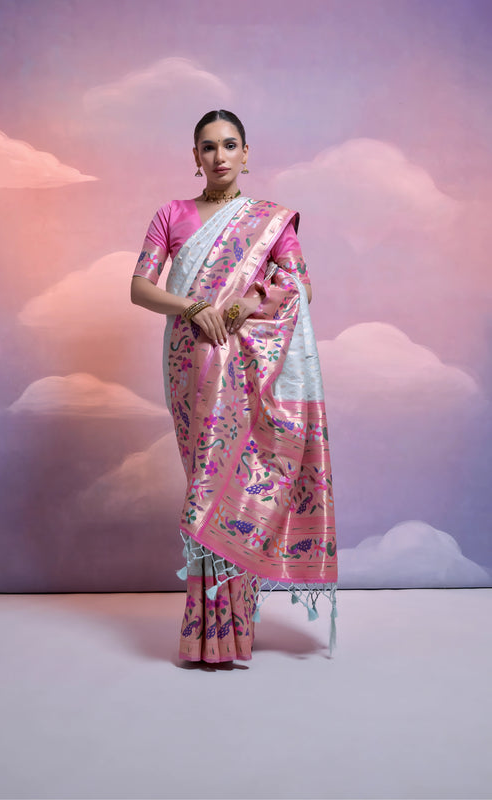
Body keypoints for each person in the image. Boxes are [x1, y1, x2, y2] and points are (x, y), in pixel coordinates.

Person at [130, 109, 337, 664]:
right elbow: (140, 289)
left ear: (246, 154)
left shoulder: (271, 220)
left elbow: (301, 286)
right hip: (189, 359)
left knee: (236, 488)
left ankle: (231, 629)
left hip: (247, 365)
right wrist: (193, 306)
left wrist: (250, 302)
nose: (218, 156)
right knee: (205, 484)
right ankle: (210, 629)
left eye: (229, 145)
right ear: (194, 157)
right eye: (207, 147)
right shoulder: (171, 215)